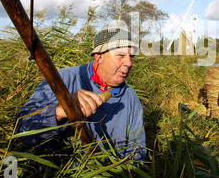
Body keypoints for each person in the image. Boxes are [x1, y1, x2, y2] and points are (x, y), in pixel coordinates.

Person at [15, 26, 147, 162]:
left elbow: (137, 150)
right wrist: (61, 111)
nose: (129, 63)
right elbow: (22, 131)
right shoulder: (60, 80)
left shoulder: (131, 98)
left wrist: (124, 177)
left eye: (131, 56)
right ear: (99, 57)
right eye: (121, 55)